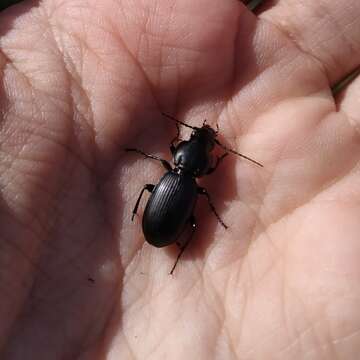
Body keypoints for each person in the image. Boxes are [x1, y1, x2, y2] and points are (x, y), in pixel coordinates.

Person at [0, 0, 359, 358]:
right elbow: (203, 166)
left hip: (163, 212)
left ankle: (176, 243)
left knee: (161, 197)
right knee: (188, 216)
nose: (196, 141)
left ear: (181, 151)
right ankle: (181, 249)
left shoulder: (174, 163)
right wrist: (214, 186)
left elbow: (179, 149)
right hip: (168, 220)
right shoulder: (198, 179)